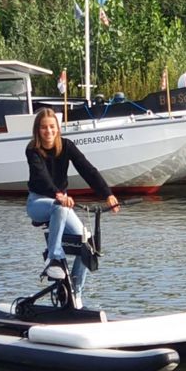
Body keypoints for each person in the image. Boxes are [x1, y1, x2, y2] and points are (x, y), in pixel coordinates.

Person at [25, 107, 119, 293]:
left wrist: (107, 194)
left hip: (61, 203)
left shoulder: (67, 146)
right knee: (59, 207)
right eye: (44, 127)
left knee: (87, 245)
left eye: (52, 127)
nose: (49, 131)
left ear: (58, 129)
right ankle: (54, 258)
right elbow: (41, 176)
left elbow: (87, 170)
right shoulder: (32, 150)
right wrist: (58, 194)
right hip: (37, 203)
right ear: (38, 130)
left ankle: (74, 294)